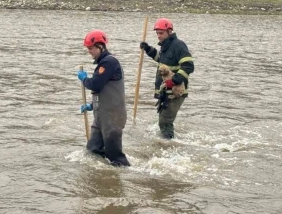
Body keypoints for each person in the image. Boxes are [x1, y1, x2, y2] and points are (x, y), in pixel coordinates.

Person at [77, 30, 130, 167]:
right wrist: (92, 105)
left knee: (115, 157)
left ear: (100, 46)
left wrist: (84, 79)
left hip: (112, 117)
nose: (89, 51)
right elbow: (104, 92)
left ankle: (125, 177)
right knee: (93, 150)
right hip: (101, 115)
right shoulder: (103, 63)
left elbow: (96, 84)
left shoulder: (109, 63)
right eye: (88, 48)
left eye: (91, 48)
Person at [140, 18, 194, 139]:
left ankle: (169, 146)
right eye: (157, 33)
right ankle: (165, 143)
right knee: (163, 120)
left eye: (161, 33)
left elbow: (188, 66)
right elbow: (161, 59)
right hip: (165, 92)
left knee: (165, 121)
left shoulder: (178, 45)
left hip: (175, 92)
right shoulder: (165, 46)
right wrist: (148, 49)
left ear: (169, 31)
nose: (158, 36)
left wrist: (174, 81)